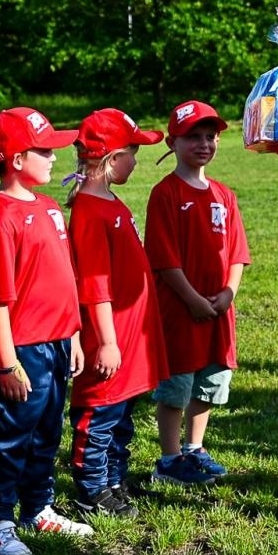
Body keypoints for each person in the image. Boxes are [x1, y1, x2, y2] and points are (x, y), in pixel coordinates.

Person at [0, 108, 93, 555]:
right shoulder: (0, 217)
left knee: (48, 429)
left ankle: (37, 506)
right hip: (24, 349)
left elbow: (65, 275)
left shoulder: (47, 206)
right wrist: (6, 361)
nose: (54, 157)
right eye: (45, 150)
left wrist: (75, 335)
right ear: (18, 159)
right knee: (10, 434)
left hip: (59, 342)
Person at [67, 109, 169, 517]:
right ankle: (91, 490)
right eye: (133, 151)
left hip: (129, 333)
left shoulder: (111, 201)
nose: (137, 160)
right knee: (100, 413)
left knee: (122, 412)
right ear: (111, 158)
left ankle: (113, 480)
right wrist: (106, 341)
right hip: (110, 337)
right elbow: (95, 286)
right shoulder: (90, 212)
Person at [145, 101, 250, 487]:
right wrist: (191, 299)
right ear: (172, 142)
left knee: (210, 379)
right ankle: (169, 460)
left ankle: (195, 448)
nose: (204, 144)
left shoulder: (225, 194)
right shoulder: (166, 193)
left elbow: (238, 252)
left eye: (211, 136)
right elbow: (163, 257)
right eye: (193, 137)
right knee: (177, 383)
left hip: (219, 309)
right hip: (180, 308)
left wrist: (228, 293)